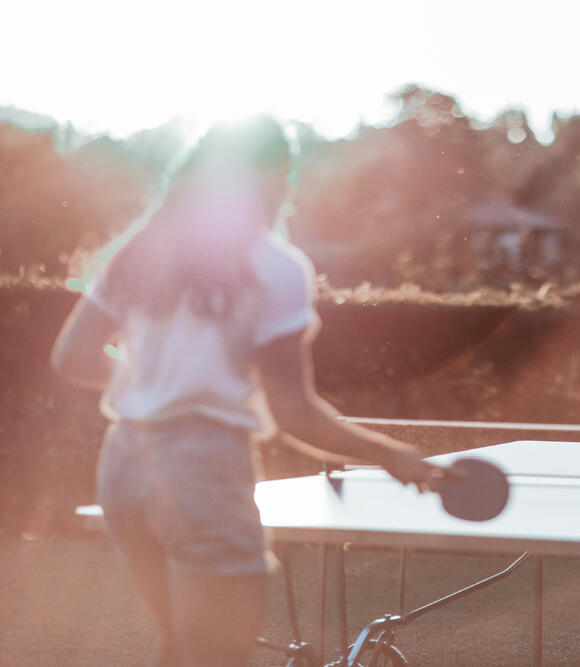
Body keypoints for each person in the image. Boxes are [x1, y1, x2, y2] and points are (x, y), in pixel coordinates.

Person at [49, 115, 439, 666]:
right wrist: (390, 454)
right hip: (201, 473)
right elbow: (296, 413)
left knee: (181, 649)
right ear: (279, 180)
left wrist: (149, 384)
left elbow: (71, 357)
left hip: (123, 467)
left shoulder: (140, 253)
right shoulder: (277, 269)